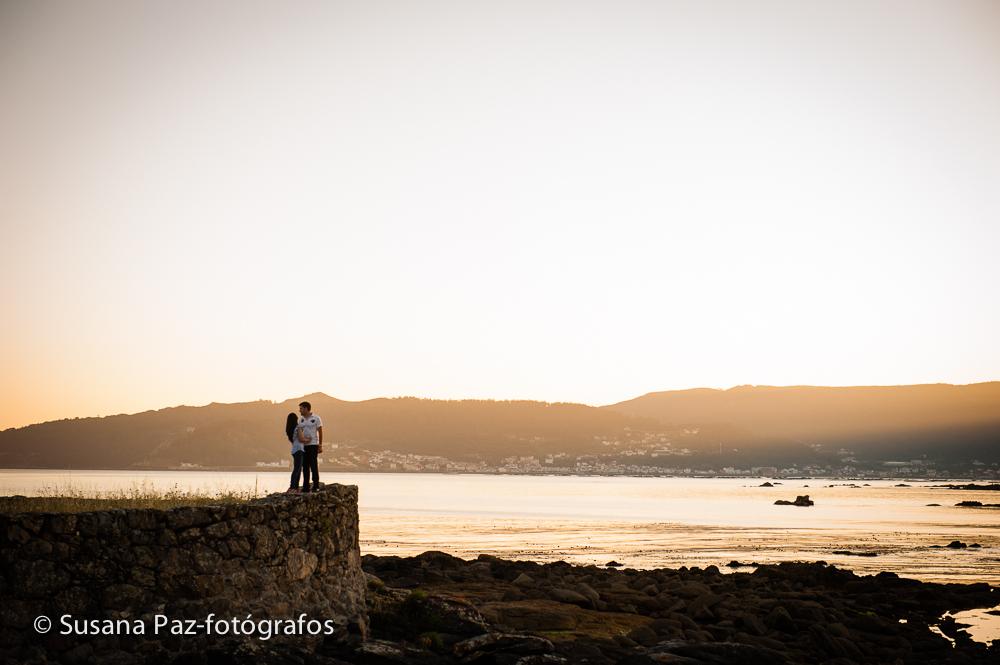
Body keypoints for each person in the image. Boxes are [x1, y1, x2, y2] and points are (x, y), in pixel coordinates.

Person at [298, 400, 323, 493]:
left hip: (313, 445)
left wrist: (320, 445)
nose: (299, 410)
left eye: (301, 408)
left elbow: (320, 431)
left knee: (313, 465)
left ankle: (316, 485)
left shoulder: (316, 418)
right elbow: (299, 432)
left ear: (306, 408)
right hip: (303, 446)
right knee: (305, 466)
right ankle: (305, 486)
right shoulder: (300, 419)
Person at [284, 412, 307, 493]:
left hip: (294, 450)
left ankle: (295, 487)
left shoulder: (290, 430)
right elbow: (301, 439)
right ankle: (292, 487)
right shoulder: (298, 427)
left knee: (297, 468)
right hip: (299, 449)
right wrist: (308, 439)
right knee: (297, 469)